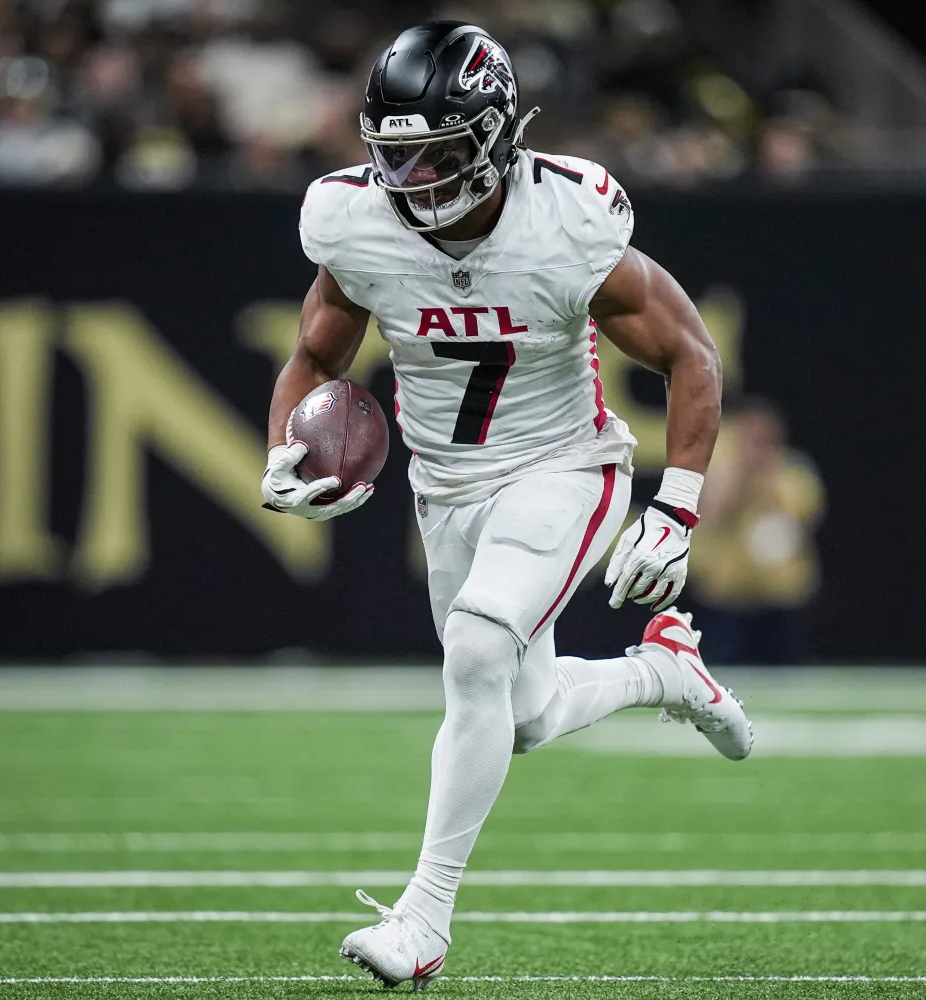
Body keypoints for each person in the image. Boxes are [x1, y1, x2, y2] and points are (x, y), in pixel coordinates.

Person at [261, 21, 753, 990]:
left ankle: (424, 917)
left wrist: (676, 508)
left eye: (438, 154)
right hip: (444, 486)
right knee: (521, 714)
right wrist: (284, 448)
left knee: (478, 648)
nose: (413, 178)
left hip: (564, 467)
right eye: (395, 155)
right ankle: (665, 672)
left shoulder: (563, 221)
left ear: (493, 137)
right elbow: (316, 355)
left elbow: (690, 353)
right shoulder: (354, 220)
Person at [687, 396, 826, 664]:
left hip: (781, 596)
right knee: (725, 673)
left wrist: (768, 480)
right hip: (730, 597)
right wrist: (742, 476)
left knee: (789, 671)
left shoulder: (793, 472)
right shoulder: (721, 472)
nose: (757, 446)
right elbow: (711, 516)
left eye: (764, 439)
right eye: (751, 438)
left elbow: (803, 520)